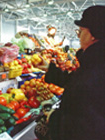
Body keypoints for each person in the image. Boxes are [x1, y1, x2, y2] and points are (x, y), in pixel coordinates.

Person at [36, 5, 105, 140]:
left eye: (80, 31)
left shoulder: (96, 69)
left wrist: (54, 118)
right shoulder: (94, 61)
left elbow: (86, 125)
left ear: (92, 35)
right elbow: (75, 81)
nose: (78, 36)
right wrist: (49, 69)